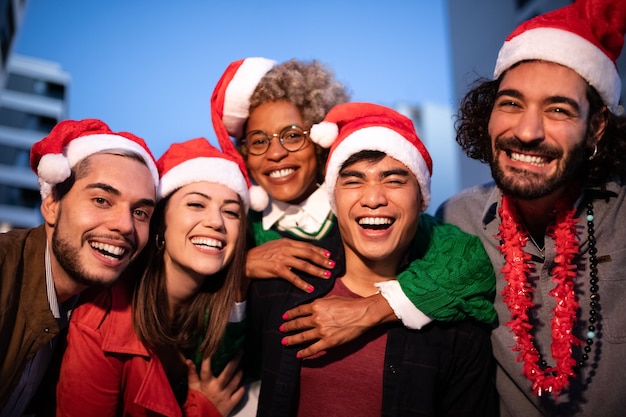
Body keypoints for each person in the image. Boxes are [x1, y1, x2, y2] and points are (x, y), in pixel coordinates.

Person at [210, 57, 497, 354]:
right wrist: (237, 270)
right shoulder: (241, 229)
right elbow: (218, 349)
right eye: (259, 141)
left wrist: (372, 309)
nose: (276, 153)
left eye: (293, 135)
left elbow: (469, 264)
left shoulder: (362, 213)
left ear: (320, 140)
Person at [435, 0, 626, 415]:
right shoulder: (456, 221)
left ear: (596, 127)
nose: (526, 131)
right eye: (511, 103)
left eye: (558, 109)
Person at [247, 102, 497, 416]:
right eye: (353, 181)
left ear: (421, 200)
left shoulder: (458, 330)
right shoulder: (277, 291)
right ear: (333, 199)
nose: (374, 198)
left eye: (394, 180)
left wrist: (374, 310)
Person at [56, 138, 250, 416]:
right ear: (160, 222)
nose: (216, 222)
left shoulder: (217, 316)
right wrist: (203, 410)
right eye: (196, 205)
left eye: (231, 212)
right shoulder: (98, 326)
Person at [0, 119, 159, 417]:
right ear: (52, 205)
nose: (125, 226)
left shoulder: (89, 305)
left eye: (140, 212)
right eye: (101, 200)